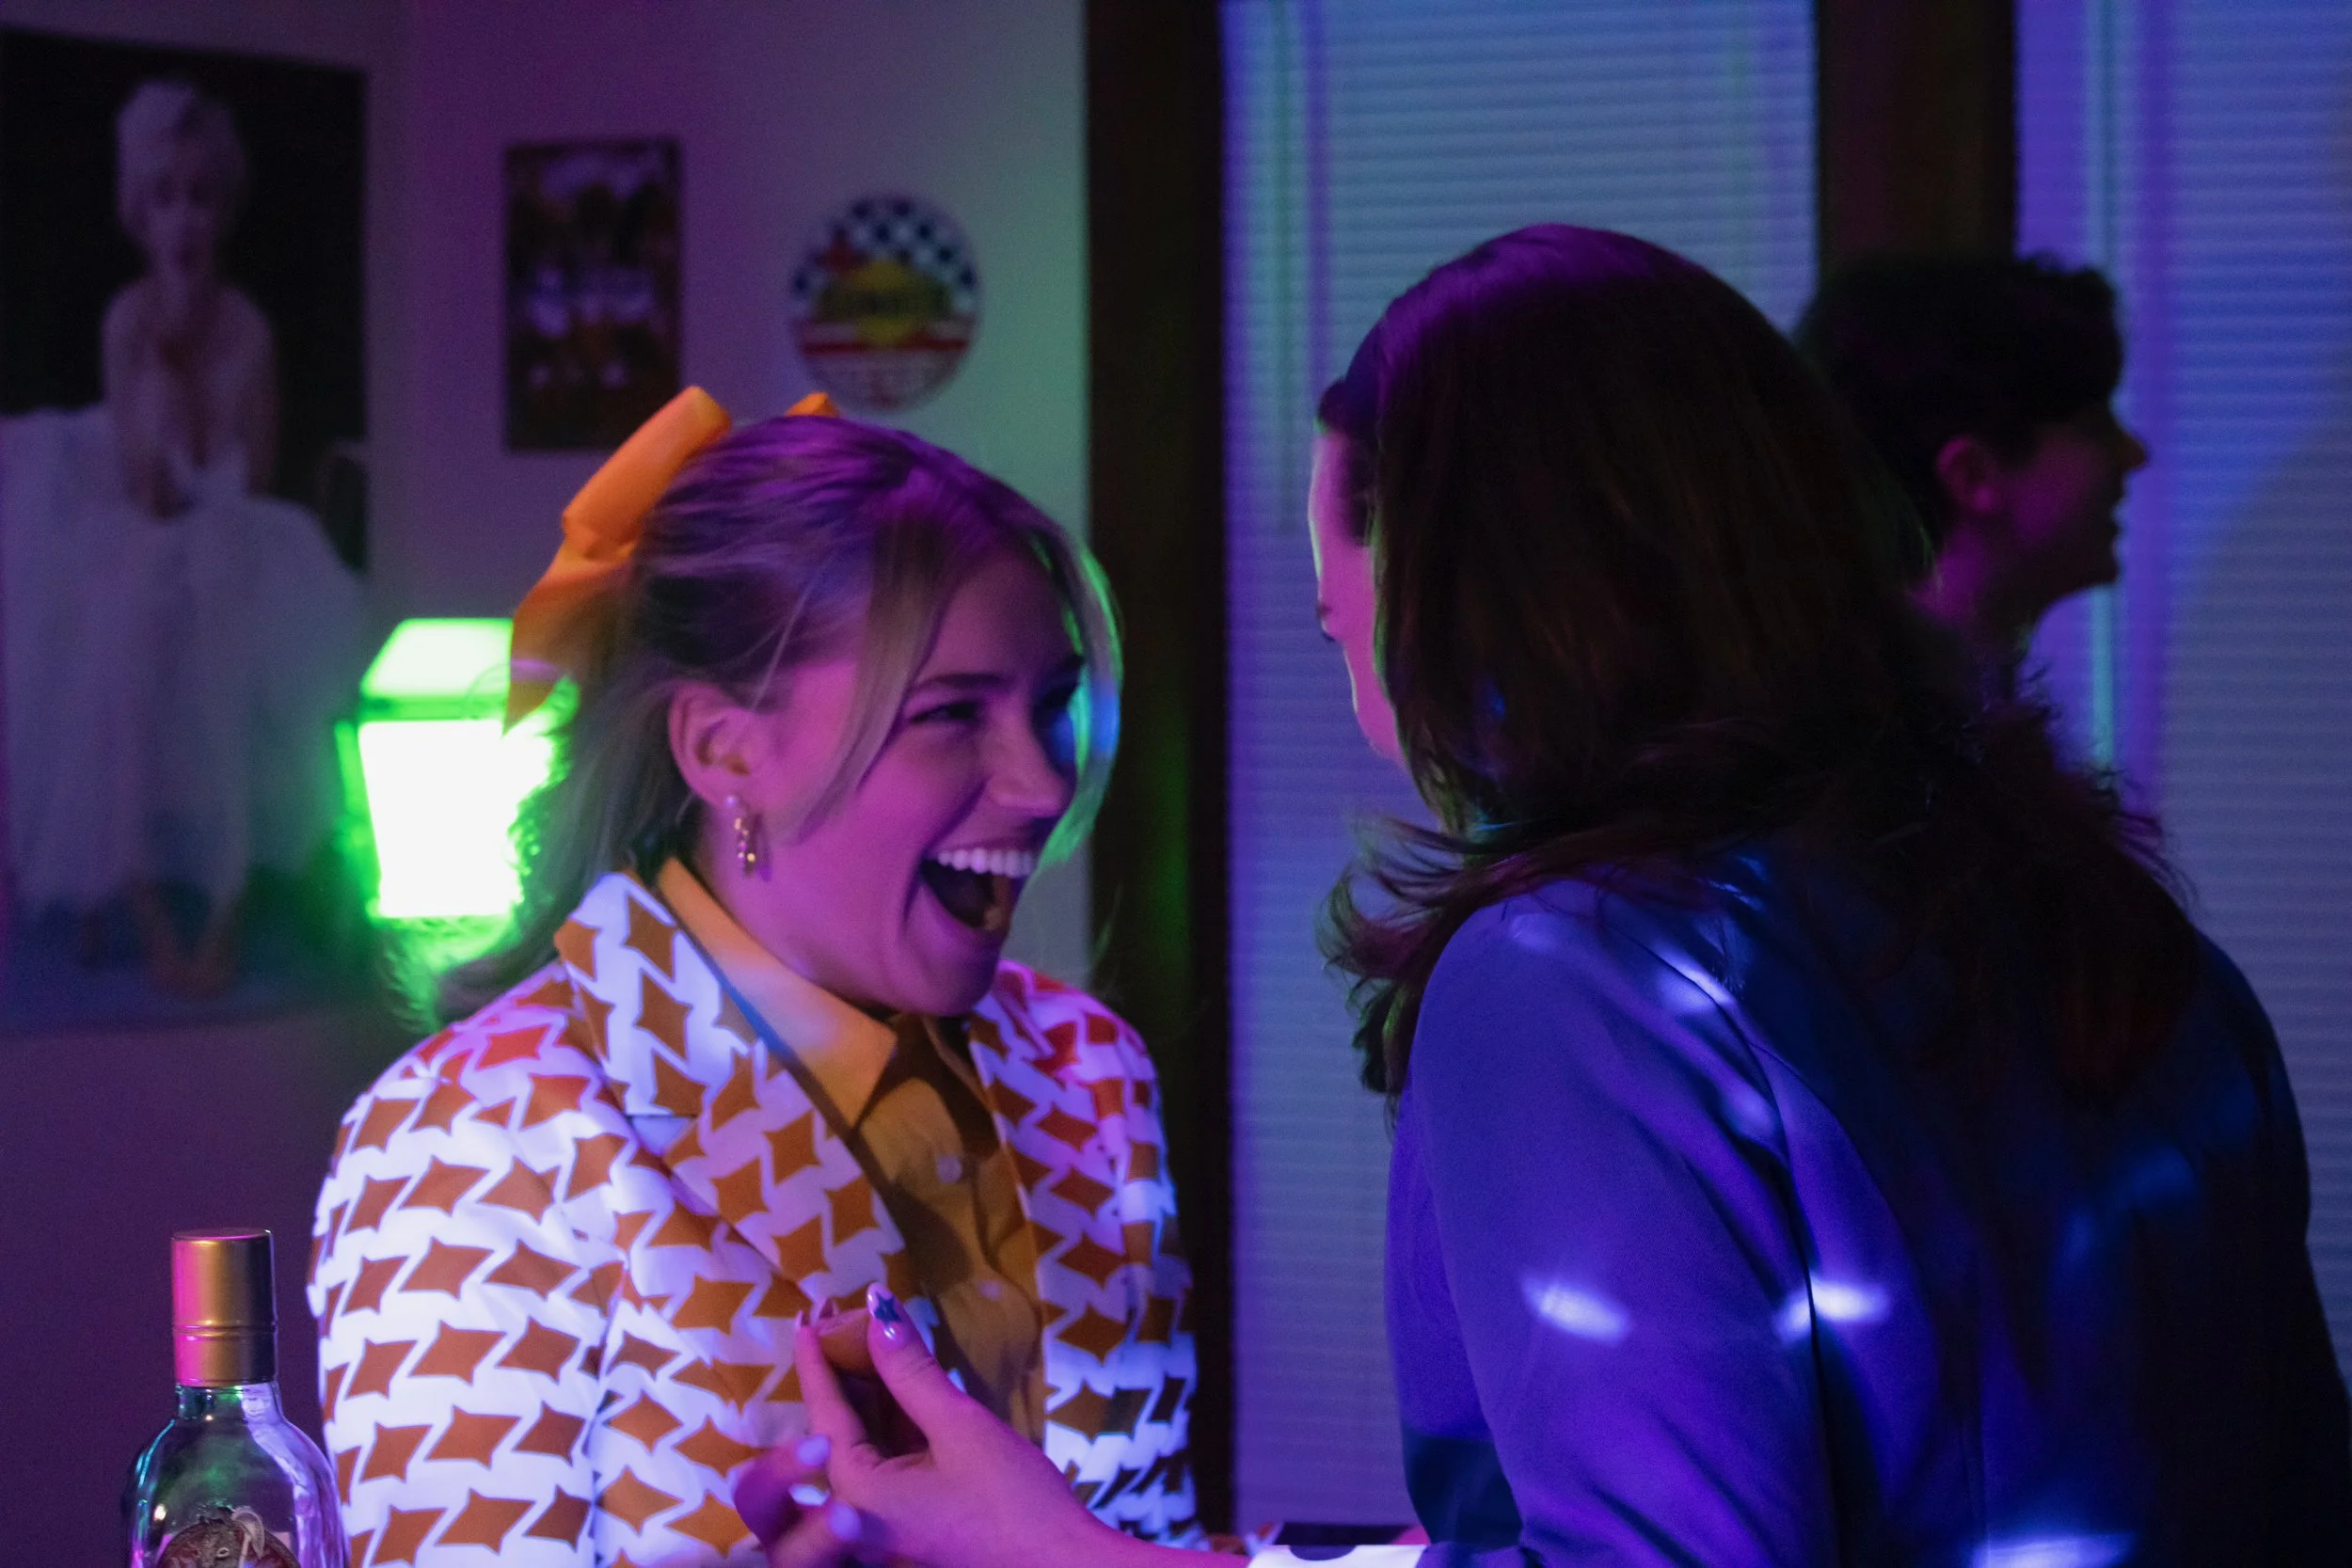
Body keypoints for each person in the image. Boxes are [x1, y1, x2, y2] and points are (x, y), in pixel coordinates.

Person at [751, 227, 2351, 1565]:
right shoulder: (2128, 939)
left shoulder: (1574, 972)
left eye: (1347, 629)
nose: (1367, 697)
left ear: (1477, 591)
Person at [307, 389, 1200, 1565]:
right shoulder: (476, 1138)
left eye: (1050, 707)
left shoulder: (1092, 1073)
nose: (1041, 784)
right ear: (725, 750)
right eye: (950, 715)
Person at [1, 79, 360, 994]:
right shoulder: (126, 323)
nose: (186, 220)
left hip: (235, 536)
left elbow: (257, 477)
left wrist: (203, 393)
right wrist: (161, 375)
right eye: (167, 199)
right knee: (124, 651)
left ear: (224, 209)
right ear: (140, 214)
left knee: (232, 640)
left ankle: (232, 895)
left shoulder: (250, 328)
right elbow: (149, 492)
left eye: (202, 197)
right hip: (151, 537)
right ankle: (150, 904)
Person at [1794, 254, 2150, 689]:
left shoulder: (1898, 707)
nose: (2135, 454)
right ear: (1971, 476)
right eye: (2095, 428)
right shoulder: (1885, 743)